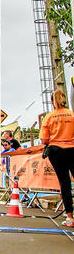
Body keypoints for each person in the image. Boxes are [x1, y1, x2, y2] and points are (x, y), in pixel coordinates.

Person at [40, 89, 74, 228]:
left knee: (64, 183)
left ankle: (70, 217)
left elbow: (44, 139)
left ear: (52, 101)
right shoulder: (72, 114)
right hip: (72, 148)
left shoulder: (49, 117)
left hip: (56, 150)